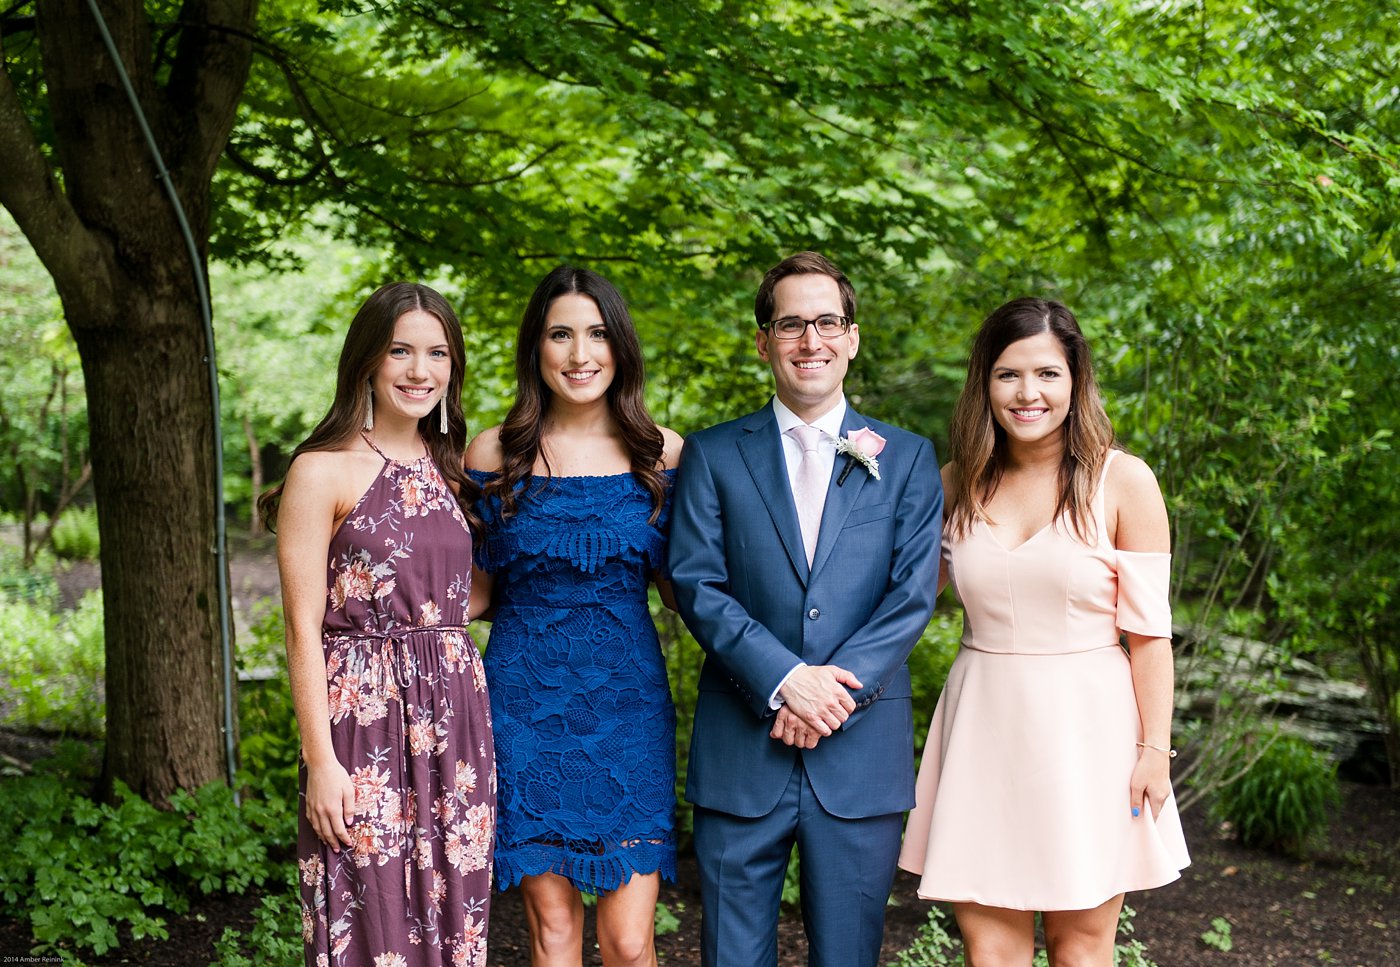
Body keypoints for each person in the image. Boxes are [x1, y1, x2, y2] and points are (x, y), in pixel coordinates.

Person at [668, 251, 943, 967]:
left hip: (859, 756)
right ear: (764, 341)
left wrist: (828, 692)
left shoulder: (909, 458)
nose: (810, 340)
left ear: (852, 336)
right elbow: (697, 583)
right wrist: (786, 678)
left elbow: (912, 593)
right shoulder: (713, 453)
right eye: (791, 323)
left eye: (827, 322)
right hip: (741, 751)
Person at [898, 297, 1190, 965]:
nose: (1028, 393)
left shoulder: (1125, 483)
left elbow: (1150, 635)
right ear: (985, 384)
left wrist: (1154, 749)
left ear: (1076, 380)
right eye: (1008, 375)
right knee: (989, 949)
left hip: (1093, 732)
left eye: (1047, 374)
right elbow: (898, 601)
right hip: (983, 726)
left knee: (1081, 946)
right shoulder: (956, 483)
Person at [259, 282, 496, 966]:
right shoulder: (321, 470)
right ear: (367, 359)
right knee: (368, 916)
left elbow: (462, 597)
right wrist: (320, 761)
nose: (420, 370)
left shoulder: (455, 474)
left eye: (437, 353)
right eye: (400, 351)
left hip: (455, 725)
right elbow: (304, 627)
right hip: (360, 724)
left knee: (454, 916)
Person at [465, 265, 683, 967]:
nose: (580, 353)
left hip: (629, 711)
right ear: (537, 347)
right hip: (524, 710)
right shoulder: (494, 454)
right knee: (553, 936)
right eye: (561, 334)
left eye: (596, 334)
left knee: (627, 941)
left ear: (620, 347)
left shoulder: (665, 452)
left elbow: (692, 591)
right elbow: (466, 595)